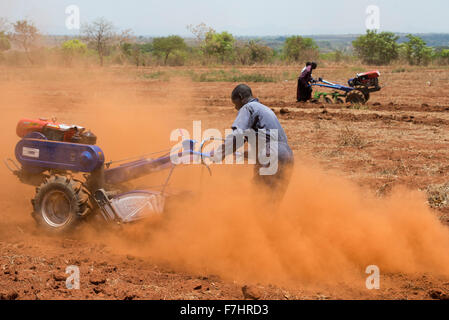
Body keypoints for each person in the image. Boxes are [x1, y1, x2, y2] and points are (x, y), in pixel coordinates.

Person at [210, 84, 294, 206]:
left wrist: (219, 154)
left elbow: (237, 135)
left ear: (240, 97)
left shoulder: (248, 108)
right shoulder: (264, 109)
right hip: (287, 155)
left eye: (235, 104)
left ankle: (255, 224)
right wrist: (239, 155)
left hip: (271, 152)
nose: (236, 109)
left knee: (259, 198)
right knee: (272, 202)